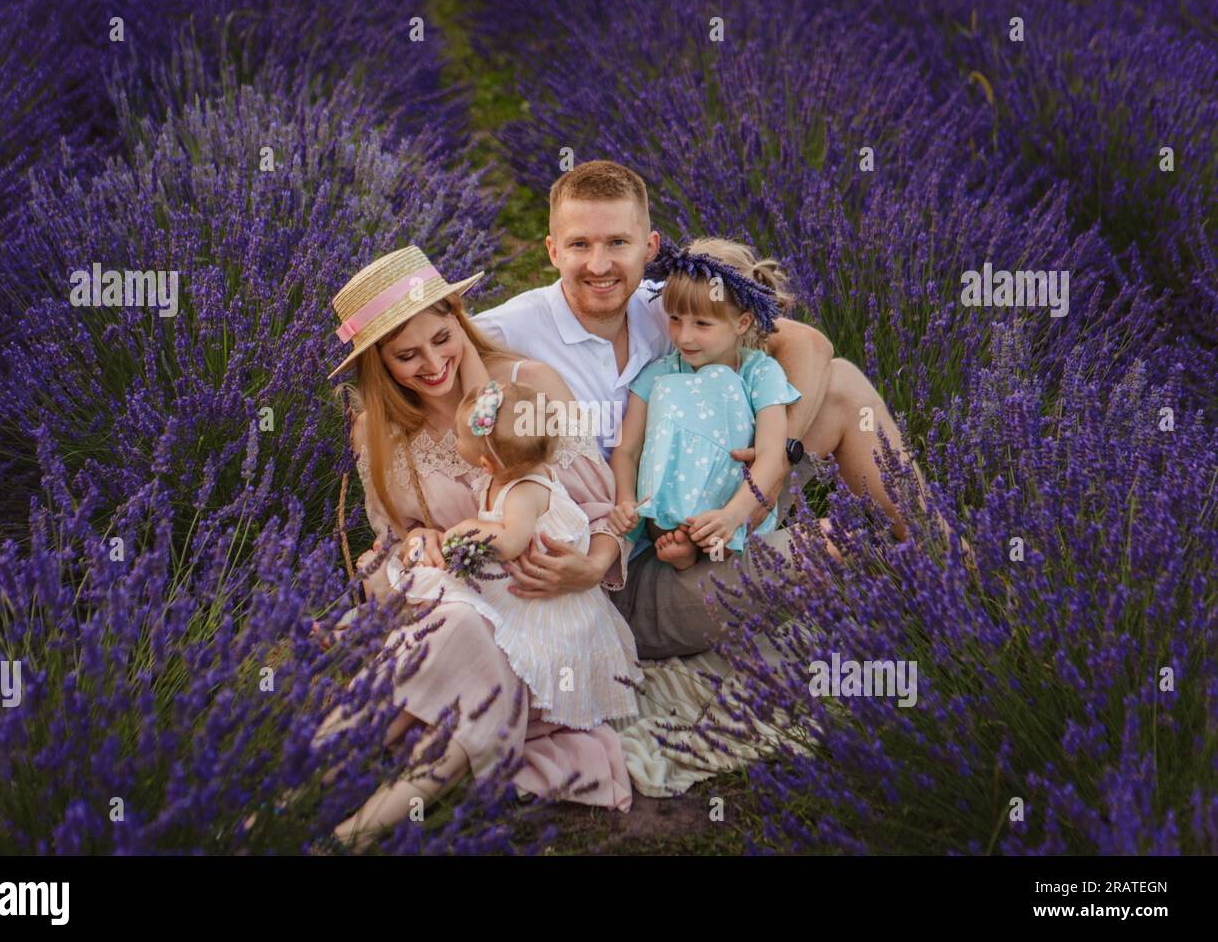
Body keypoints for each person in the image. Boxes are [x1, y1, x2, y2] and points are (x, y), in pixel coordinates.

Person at [472, 159, 923, 658]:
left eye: (618, 243)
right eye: (580, 244)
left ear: (650, 248)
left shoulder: (665, 304)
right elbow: (419, 364)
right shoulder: (508, 331)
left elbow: (809, 346)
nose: (599, 265)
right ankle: (925, 615)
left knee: (841, 384)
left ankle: (949, 561)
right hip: (619, 574)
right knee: (841, 545)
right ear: (553, 251)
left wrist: (771, 469)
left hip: (719, 502)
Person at [319, 245, 634, 851]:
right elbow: (389, 544)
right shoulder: (377, 433)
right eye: (407, 356)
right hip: (452, 610)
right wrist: (418, 542)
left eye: (442, 339)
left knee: (465, 633)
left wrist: (590, 565)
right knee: (460, 627)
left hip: (547, 623)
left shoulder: (528, 388)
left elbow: (598, 512)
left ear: (458, 317)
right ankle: (308, 790)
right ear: (379, 362)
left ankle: (345, 821)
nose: (432, 363)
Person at [383, 378, 644, 731]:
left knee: (506, 645)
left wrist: (468, 528)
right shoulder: (504, 477)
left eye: (459, 439)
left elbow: (511, 542)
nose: (454, 443)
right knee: (437, 593)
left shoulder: (524, 490)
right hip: (518, 585)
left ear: (486, 464)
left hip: (546, 603)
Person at [607, 237, 801, 572]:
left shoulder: (760, 373)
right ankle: (676, 540)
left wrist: (732, 514)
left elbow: (771, 455)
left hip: (733, 507)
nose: (683, 337)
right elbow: (626, 451)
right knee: (670, 390)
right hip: (664, 511)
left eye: (702, 324)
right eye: (676, 319)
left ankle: (706, 545)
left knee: (723, 387)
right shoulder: (658, 374)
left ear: (741, 323)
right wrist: (625, 499)